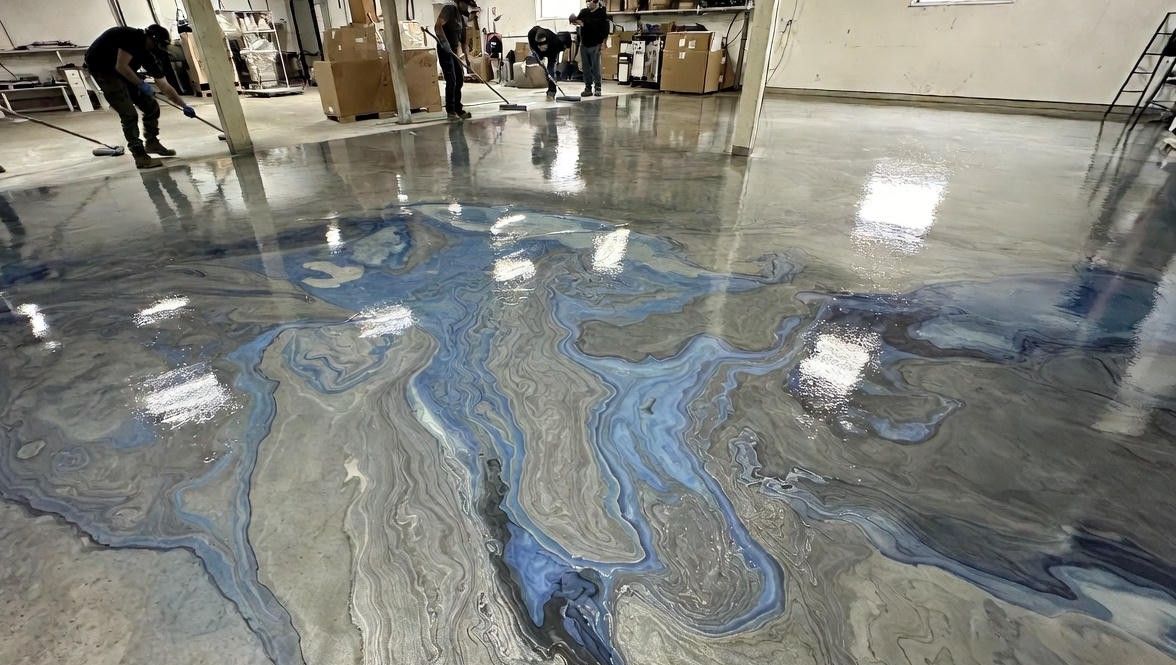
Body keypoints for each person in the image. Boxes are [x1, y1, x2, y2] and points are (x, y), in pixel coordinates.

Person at [84, 24, 197, 169]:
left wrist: (184, 106)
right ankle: (139, 155)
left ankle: (152, 143)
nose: (157, 48)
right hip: (103, 69)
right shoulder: (134, 38)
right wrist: (140, 84)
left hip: (122, 70)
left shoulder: (148, 54)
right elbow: (121, 67)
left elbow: (164, 84)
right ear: (151, 38)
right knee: (129, 113)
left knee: (151, 105)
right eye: (157, 44)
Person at [435, 0, 477, 121]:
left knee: (459, 78)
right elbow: (438, 26)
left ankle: (458, 109)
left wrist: (468, 61)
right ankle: (451, 111)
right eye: (466, 4)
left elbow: (464, 41)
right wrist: (444, 42)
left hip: (453, 50)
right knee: (451, 79)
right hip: (445, 49)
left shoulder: (463, 16)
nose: (468, 8)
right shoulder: (450, 9)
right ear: (459, 2)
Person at [570, 0, 608, 97]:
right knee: (585, 68)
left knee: (595, 67)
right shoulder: (583, 12)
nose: (588, 3)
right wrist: (573, 19)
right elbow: (577, 22)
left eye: (589, 1)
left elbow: (604, 29)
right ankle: (588, 88)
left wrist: (604, 43)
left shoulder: (601, 13)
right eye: (586, 1)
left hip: (596, 44)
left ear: (595, 2)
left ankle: (598, 87)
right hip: (584, 44)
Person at [527, 26, 566, 100]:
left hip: (552, 51)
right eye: (540, 46)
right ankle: (548, 82)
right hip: (537, 51)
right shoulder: (531, 34)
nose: (542, 48)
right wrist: (539, 58)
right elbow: (532, 48)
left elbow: (559, 50)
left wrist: (548, 73)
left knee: (550, 70)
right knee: (543, 69)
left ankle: (552, 91)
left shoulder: (554, 41)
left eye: (543, 47)